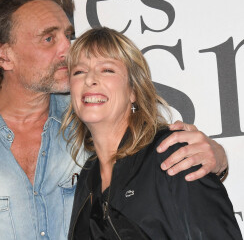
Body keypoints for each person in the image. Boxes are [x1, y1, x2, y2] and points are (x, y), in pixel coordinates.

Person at [0, 0, 228, 240]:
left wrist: (216, 157)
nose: (68, 50)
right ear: (2, 55)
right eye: (49, 38)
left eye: (68, 36)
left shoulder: (89, 116)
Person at [63, 27, 242, 239]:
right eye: (79, 72)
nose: (89, 79)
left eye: (107, 70)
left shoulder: (173, 154)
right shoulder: (87, 175)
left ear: (134, 91)